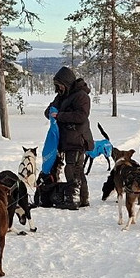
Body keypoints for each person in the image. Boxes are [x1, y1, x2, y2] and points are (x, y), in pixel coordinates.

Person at [44, 65, 93, 208]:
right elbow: (49, 110)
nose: (57, 89)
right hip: (67, 140)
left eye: (59, 85)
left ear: (66, 83)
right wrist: (51, 113)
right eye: (56, 86)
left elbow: (81, 116)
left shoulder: (81, 96)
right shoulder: (61, 96)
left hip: (78, 139)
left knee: (73, 169)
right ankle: (81, 198)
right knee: (76, 169)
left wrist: (60, 116)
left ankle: (75, 198)